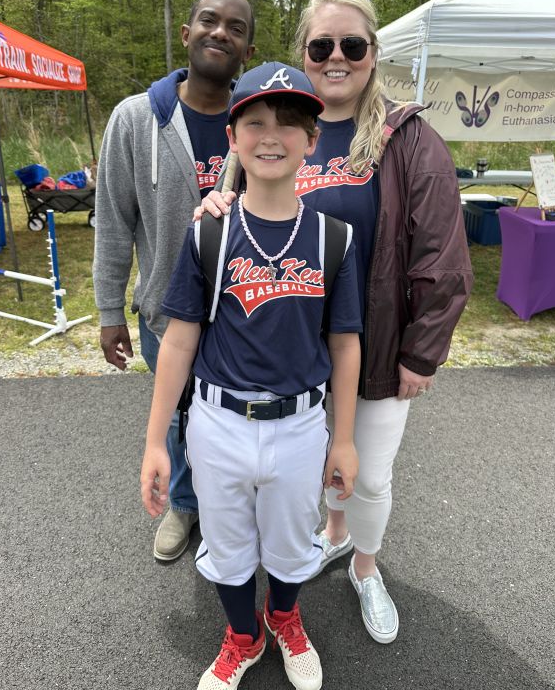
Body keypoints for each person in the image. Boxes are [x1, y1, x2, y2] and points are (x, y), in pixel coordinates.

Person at [199, 0, 473, 645]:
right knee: (307, 472)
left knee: (369, 474)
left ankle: (365, 567)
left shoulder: (406, 139)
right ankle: (330, 536)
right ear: (305, 55)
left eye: (353, 45)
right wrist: (213, 206)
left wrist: (421, 353)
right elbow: (230, 215)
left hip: (372, 350)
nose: (337, 57)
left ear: (374, 55)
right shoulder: (279, 126)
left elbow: (445, 256)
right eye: (322, 46)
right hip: (285, 352)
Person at [140, 62, 362, 690]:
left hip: (299, 425)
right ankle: (244, 635)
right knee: (230, 548)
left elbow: (346, 346)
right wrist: (157, 441)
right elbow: (179, 338)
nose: (272, 135)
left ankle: (285, 617)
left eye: (290, 123)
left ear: (312, 140)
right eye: (255, 122)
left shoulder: (333, 238)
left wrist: (342, 438)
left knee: (293, 546)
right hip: (218, 421)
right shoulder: (210, 231)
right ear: (232, 138)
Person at [93, 0, 255, 562]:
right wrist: (110, 310)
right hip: (167, 310)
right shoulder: (136, 119)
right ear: (186, 34)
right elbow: (112, 221)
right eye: (208, 21)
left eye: (235, 27)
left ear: (247, 48)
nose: (220, 33)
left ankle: (233, 512)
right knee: (180, 416)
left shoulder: (257, 121)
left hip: (246, 312)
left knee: (236, 424)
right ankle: (185, 506)